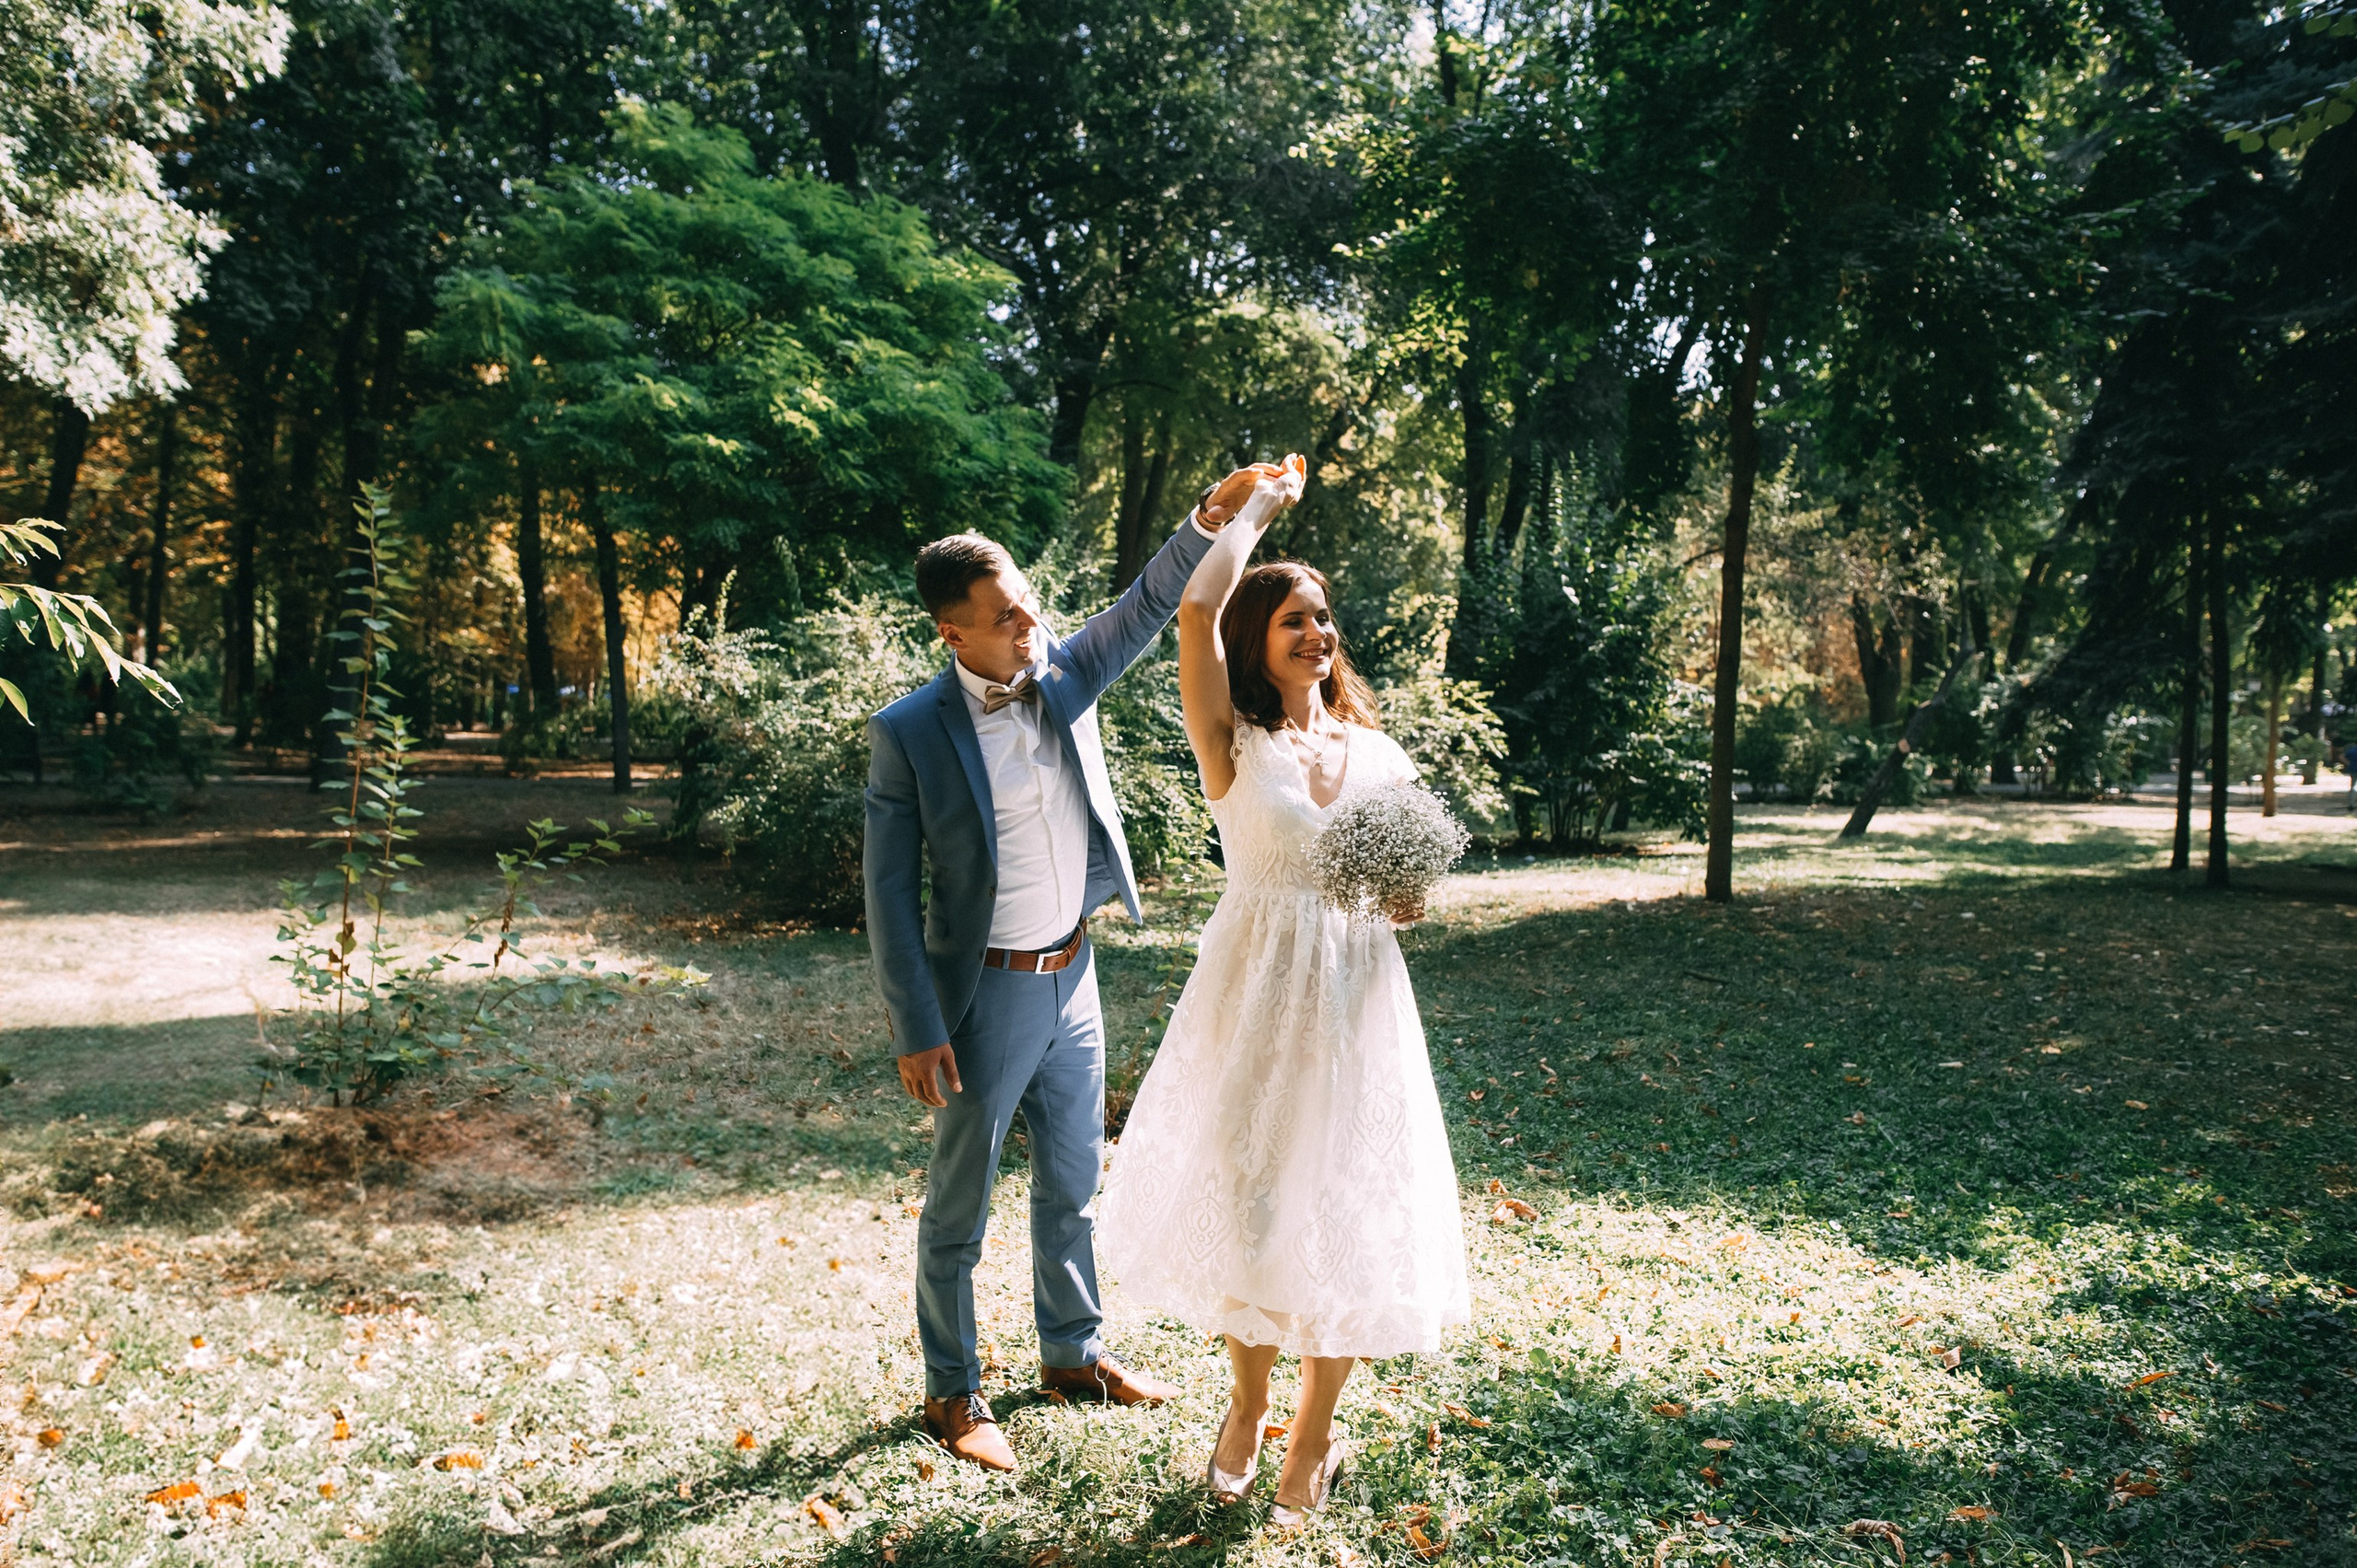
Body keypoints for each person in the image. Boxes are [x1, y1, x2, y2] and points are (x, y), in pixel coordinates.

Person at [863, 461, 1282, 1474]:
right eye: (1005, 616)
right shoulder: (908, 733)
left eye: (1029, 603)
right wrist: (917, 1023)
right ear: (952, 632)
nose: (1029, 624)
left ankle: (1074, 1353)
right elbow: (886, 893)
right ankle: (952, 1389)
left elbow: (1145, 604)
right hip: (983, 992)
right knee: (959, 1203)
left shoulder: (1062, 673)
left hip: (1074, 974)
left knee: (1073, 1178)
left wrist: (1212, 516)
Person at [1097, 457, 1469, 1525]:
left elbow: (1404, 886)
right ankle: (1247, 1404)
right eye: (1293, 620)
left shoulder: (1376, 751)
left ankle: (1313, 1433)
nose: (1316, 634)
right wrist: (1253, 510)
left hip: (1356, 996)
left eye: (1324, 619)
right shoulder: (1232, 742)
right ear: (1261, 640)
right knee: (1256, 1198)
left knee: (1349, 1199)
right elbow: (1198, 606)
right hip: (1254, 989)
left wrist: (1406, 899)